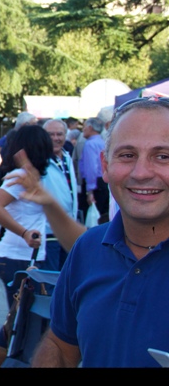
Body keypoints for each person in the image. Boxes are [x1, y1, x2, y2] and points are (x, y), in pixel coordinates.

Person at [32, 97, 169, 367]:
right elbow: (60, 344)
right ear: (105, 166)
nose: (141, 173)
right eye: (127, 155)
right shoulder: (88, 248)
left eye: (163, 156)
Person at [0, 125, 53, 309]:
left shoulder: (35, 176)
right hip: (18, 257)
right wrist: (24, 233)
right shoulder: (20, 177)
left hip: (29, 254)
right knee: (21, 317)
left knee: (25, 317)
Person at [41, 119, 78, 270]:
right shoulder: (39, 160)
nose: (56, 138)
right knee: (49, 278)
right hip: (48, 231)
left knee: (65, 276)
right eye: (51, 134)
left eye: (59, 134)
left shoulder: (66, 156)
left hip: (67, 230)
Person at [79, 116, 109, 223]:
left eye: (84, 127)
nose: (83, 129)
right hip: (104, 182)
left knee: (94, 218)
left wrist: (90, 191)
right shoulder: (103, 142)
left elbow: (91, 168)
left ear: (90, 127)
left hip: (95, 184)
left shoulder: (90, 144)